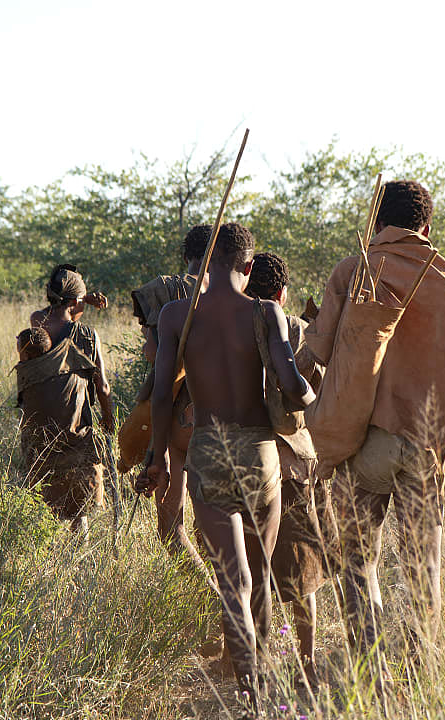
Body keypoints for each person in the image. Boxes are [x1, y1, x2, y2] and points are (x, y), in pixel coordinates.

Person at [304, 180, 445, 690]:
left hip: (364, 444)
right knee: (421, 564)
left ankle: (373, 673)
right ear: (426, 227)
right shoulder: (444, 280)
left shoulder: (354, 269)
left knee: (356, 561)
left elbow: (311, 356)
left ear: (379, 221)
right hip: (426, 448)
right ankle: (419, 672)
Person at [140, 223, 315, 707]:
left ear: (200, 263)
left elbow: (159, 395)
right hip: (260, 457)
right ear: (250, 266)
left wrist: (159, 461)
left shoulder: (177, 315)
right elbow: (291, 382)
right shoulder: (267, 312)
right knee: (258, 580)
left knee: (232, 582)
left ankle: (249, 693)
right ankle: (263, 684)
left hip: (208, 454)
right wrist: (313, 394)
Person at [244, 252, 334, 684]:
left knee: (244, 564)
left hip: (239, 460)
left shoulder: (229, 328)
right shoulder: (298, 332)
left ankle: (248, 658)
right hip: (292, 462)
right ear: (282, 293)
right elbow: (312, 388)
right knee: (305, 568)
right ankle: (307, 661)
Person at [129, 225, 211, 552]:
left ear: (186, 255)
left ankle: (210, 597)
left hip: (175, 415)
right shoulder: (233, 296)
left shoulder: (166, 290)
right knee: (218, 528)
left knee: (170, 529)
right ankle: (226, 599)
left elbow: (152, 351)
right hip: (218, 415)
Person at [18, 265, 115, 532]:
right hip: (77, 429)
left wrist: (79, 301)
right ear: (74, 302)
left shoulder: (36, 321)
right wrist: (108, 420)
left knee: (44, 502)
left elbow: (56, 312)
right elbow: (103, 387)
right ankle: (76, 565)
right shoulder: (87, 336)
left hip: (40, 432)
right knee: (79, 510)